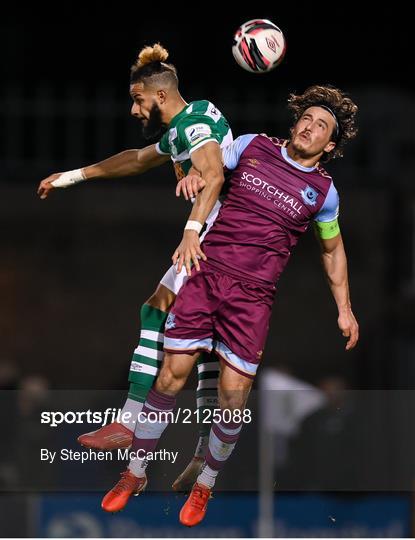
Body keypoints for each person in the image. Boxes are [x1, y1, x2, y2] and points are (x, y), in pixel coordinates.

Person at [100, 85, 360, 527]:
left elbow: (332, 252)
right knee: (170, 375)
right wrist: (193, 175)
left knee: (231, 398)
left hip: (253, 299)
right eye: (307, 119)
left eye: (321, 126)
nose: (310, 128)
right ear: (295, 122)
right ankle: (135, 473)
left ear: (330, 144)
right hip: (206, 275)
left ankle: (205, 485)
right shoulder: (251, 146)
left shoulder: (324, 194)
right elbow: (211, 169)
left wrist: (345, 308)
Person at [37, 43, 233, 491]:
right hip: (219, 236)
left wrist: (191, 229)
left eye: (138, 98)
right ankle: (201, 450)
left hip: (216, 239)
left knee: (161, 315)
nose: (133, 108)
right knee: (196, 338)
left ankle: (132, 425)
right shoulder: (191, 119)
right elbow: (137, 159)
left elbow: (215, 173)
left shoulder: (195, 125)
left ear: (159, 96)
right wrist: (73, 176)